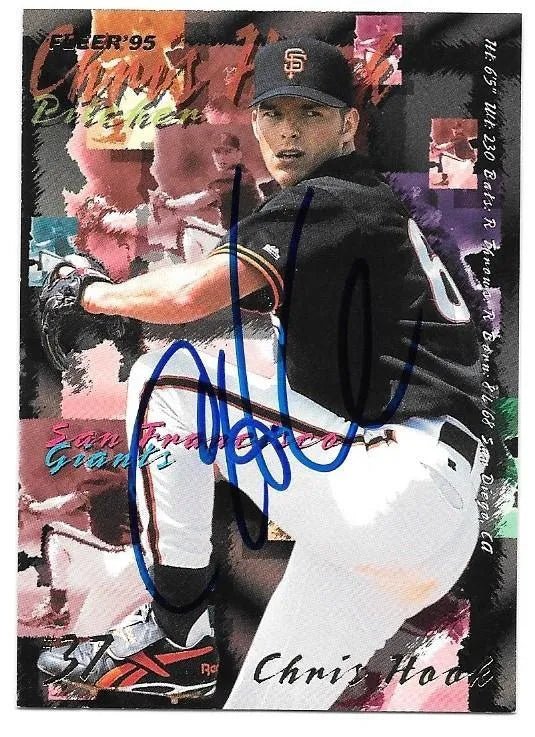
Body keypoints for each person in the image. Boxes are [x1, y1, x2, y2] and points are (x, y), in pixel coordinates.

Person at [38, 38, 484, 710]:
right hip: (420, 528)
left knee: (167, 377)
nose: (288, 132)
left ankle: (175, 625)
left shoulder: (330, 198)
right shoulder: (365, 211)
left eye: (311, 113)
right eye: (274, 114)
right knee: (264, 713)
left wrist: (89, 294)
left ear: (348, 125)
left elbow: (189, 295)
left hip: (395, 483)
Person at [19, 471, 148, 635]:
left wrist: (30, 506)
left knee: (56, 533)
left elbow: (60, 507)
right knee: (86, 634)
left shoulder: (101, 484)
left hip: (119, 562)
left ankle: (57, 607)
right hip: (148, 569)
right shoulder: (139, 480)